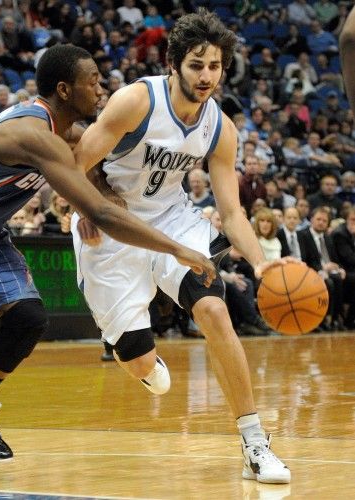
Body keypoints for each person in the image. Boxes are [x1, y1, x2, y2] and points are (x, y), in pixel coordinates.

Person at [0, 45, 216, 461]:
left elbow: (91, 160)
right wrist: (178, 247)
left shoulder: (64, 132)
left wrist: (102, 187)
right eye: (92, 82)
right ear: (64, 90)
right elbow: (103, 213)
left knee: (28, 318)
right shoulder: (34, 135)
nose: (101, 90)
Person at [71, 10, 292, 484]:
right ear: (174, 64)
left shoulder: (220, 127)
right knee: (135, 360)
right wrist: (92, 207)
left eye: (215, 65)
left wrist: (262, 265)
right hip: (110, 224)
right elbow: (74, 163)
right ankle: (144, 360)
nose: (206, 75)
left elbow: (231, 213)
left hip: (173, 221)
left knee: (215, 311)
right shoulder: (136, 101)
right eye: (196, 64)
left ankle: (255, 443)